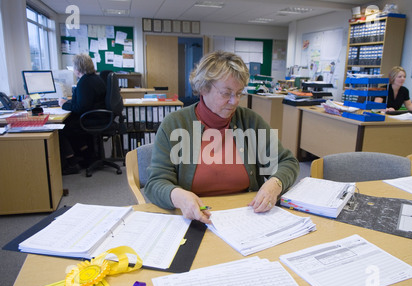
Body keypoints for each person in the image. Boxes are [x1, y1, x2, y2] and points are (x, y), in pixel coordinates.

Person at [144, 51, 300, 224]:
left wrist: (274, 184)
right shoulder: (175, 124)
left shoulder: (249, 121)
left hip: (247, 218)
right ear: (203, 88)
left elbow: (287, 162)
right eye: (226, 93)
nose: (235, 101)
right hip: (195, 220)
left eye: (239, 93)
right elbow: (155, 183)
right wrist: (179, 197)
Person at [58, 53, 107, 174]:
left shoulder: (85, 82)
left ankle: (71, 162)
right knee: (70, 123)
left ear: (78, 68)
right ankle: (87, 156)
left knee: (62, 128)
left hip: (92, 118)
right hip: (99, 116)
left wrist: (63, 104)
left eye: (74, 67)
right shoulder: (95, 78)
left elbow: (81, 107)